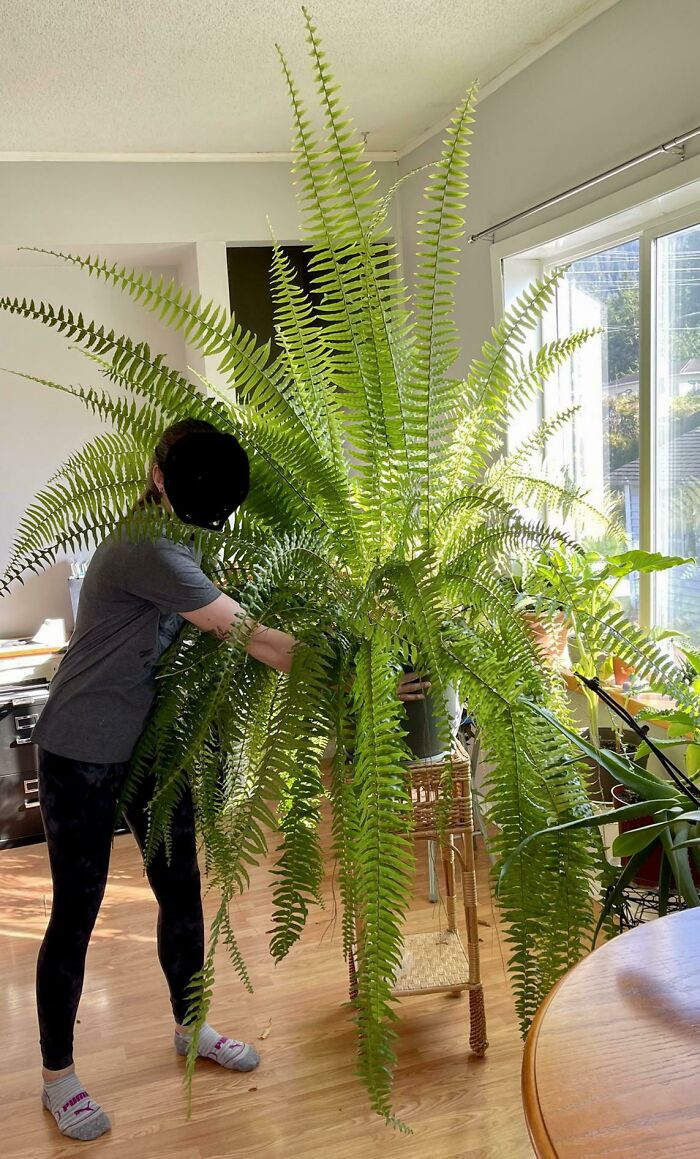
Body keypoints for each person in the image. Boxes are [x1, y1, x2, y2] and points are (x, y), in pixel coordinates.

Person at [30, 418, 425, 1141]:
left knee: (180, 891)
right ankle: (58, 1076)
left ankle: (191, 1026)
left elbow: (231, 597)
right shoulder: (148, 545)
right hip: (79, 745)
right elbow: (256, 637)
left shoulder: (183, 534)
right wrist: (360, 674)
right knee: (77, 912)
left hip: (152, 745)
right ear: (157, 478)